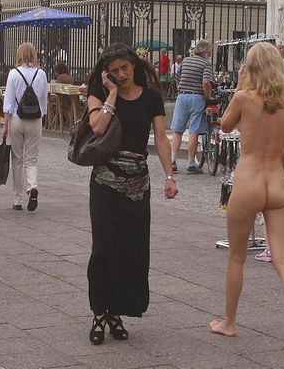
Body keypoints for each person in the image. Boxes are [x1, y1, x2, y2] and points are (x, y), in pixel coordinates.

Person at [209, 42, 284, 350]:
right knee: (283, 260)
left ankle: (229, 322)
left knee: (237, 257)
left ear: (250, 68)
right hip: (276, 184)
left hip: (248, 182)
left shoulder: (243, 98)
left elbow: (225, 126)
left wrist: (240, 87)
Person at [85, 43, 178, 345]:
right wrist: (111, 94)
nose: (121, 74)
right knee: (102, 250)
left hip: (137, 186)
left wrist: (169, 176)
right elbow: (98, 128)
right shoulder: (99, 93)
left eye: (125, 68)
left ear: (134, 65)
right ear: (107, 74)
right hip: (105, 184)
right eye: (114, 71)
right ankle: (100, 312)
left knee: (131, 251)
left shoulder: (151, 97)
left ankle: (117, 312)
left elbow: (161, 139)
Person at [2, 43, 48, 212]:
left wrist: (5, 125)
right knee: (32, 159)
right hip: (35, 119)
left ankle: (17, 199)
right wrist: (42, 115)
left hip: (17, 118)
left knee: (17, 159)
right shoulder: (41, 73)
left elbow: (8, 102)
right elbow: (44, 100)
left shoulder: (13, 73)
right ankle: (32, 186)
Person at [170, 40, 214, 174]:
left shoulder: (186, 61)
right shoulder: (206, 64)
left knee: (178, 130)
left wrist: (181, 88)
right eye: (210, 51)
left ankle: (172, 161)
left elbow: (177, 78)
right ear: (206, 51)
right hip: (197, 97)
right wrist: (207, 97)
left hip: (182, 96)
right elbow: (206, 82)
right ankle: (190, 164)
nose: (211, 54)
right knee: (194, 131)